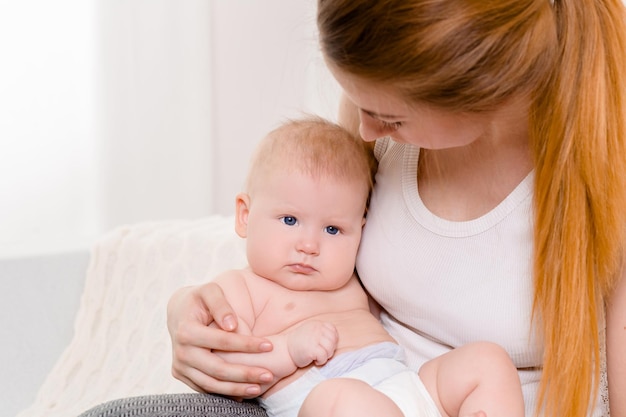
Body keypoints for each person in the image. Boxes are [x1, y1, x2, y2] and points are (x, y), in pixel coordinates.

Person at [166, 1, 626, 417]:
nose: (366, 133)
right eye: (361, 105)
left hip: (436, 394)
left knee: (488, 361)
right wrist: (186, 311)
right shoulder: (381, 123)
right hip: (352, 392)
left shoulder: (604, 176)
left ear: (482, 90)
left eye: (391, 118)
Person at [200, 116, 523, 417]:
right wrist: (290, 349)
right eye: (290, 220)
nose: (309, 246)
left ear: (361, 229)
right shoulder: (239, 288)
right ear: (245, 215)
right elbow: (227, 366)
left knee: (487, 360)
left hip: (409, 388)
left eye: (332, 230)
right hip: (324, 400)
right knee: (341, 397)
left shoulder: (350, 279)